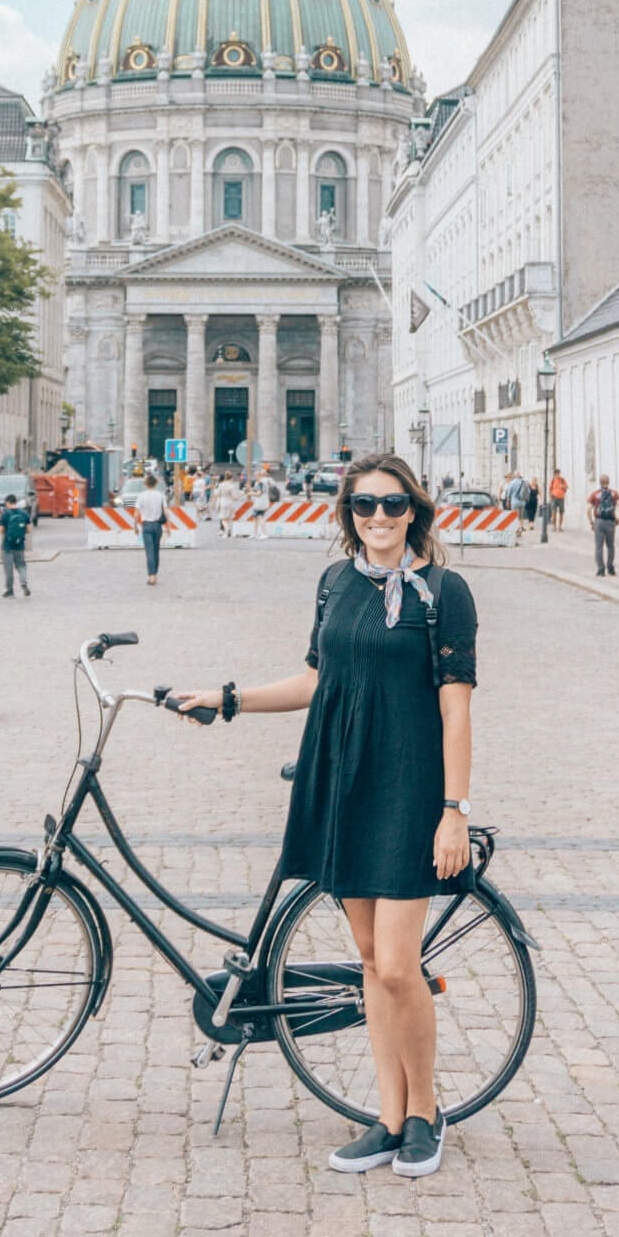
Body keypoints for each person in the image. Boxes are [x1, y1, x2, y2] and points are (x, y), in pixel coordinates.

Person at [174, 453, 477, 1180]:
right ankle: (386, 1115)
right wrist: (231, 698)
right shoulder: (335, 582)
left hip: (407, 789)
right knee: (371, 964)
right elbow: (316, 679)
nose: (378, 518)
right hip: (342, 783)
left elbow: (456, 706)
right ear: (346, 513)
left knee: (403, 966)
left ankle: (426, 1114)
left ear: (415, 512)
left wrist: (454, 811)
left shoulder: (444, 591)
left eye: (393, 505)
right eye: (365, 506)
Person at [587, 475, 619, 575]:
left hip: (599, 521)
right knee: (610, 546)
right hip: (611, 522)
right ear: (608, 482)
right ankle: (610, 567)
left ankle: (601, 569)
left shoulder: (595, 494)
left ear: (599, 482)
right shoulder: (614, 493)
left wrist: (591, 522)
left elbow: (588, 509)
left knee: (599, 546)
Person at [0, 494, 31, 598]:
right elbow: (29, 530)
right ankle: (23, 582)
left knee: (8, 569)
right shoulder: (24, 514)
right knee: (21, 565)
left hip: (7, 546)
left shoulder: (6, 514)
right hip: (20, 545)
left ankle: (9, 591)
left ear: (8, 503)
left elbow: (0, 530)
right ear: (15, 502)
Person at [212, 473, 237, 538]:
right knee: (229, 518)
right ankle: (227, 531)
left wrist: (214, 503)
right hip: (230, 502)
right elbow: (234, 497)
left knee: (223, 518)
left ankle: (227, 530)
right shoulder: (231, 486)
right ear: (231, 478)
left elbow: (217, 494)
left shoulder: (221, 485)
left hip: (222, 501)